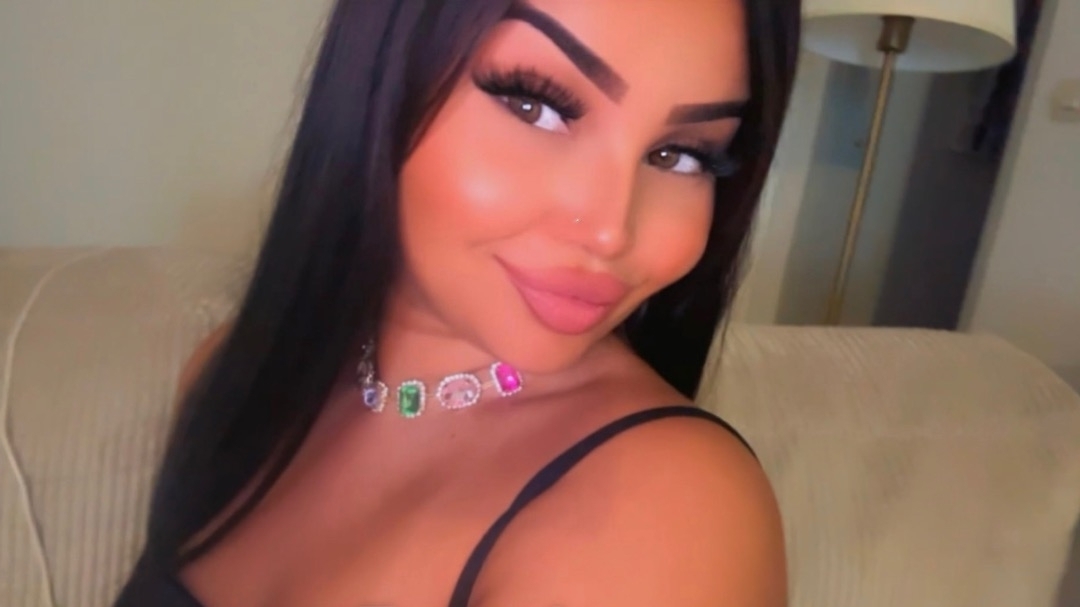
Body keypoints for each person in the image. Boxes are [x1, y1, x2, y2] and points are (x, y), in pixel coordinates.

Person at [114, 0, 800, 604]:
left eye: (682, 154)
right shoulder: (235, 374)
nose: (609, 230)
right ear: (381, 75)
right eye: (536, 105)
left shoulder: (666, 510)